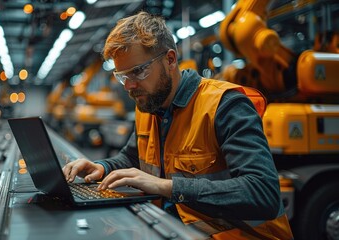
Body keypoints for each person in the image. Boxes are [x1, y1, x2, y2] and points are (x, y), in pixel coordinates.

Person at [62, 11, 293, 239]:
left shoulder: (224, 105)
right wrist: (101, 167)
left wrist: (167, 187)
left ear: (170, 59)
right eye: (122, 76)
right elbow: (133, 158)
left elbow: (263, 193)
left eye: (138, 72)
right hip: (177, 230)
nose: (129, 86)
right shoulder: (148, 105)